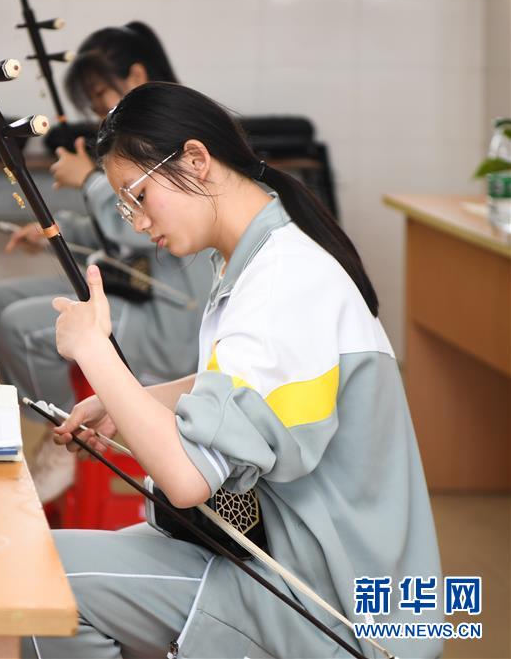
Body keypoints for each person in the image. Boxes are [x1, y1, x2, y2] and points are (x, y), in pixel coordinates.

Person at [23, 82, 443, 659]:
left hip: (326, 604)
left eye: (138, 196)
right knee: (47, 567)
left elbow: (189, 480)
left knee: (41, 583)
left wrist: (94, 352)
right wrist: (138, 400)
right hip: (279, 556)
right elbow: (245, 388)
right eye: (125, 206)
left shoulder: (283, 282)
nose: (137, 222)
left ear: (197, 160)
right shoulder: (264, 254)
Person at [0, 23, 216, 503]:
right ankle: (33, 430)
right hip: (138, 287)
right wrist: (54, 233)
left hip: (169, 315)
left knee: (24, 327)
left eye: (102, 96)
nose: (100, 112)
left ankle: (64, 441)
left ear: (137, 75)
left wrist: (89, 180)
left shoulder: (172, 141)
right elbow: (126, 226)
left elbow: (141, 227)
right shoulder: (142, 140)